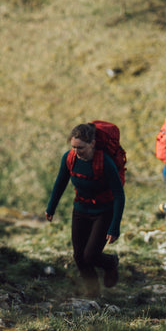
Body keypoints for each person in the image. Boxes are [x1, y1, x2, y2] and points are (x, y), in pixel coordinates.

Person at [45, 123, 125, 296]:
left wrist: (114, 227)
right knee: (79, 257)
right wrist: (51, 208)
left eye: (80, 148)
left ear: (92, 144)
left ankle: (111, 263)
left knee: (91, 255)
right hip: (80, 210)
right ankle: (93, 292)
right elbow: (60, 183)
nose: (76, 151)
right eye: (73, 147)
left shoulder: (105, 162)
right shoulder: (69, 158)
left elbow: (119, 195)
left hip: (104, 212)